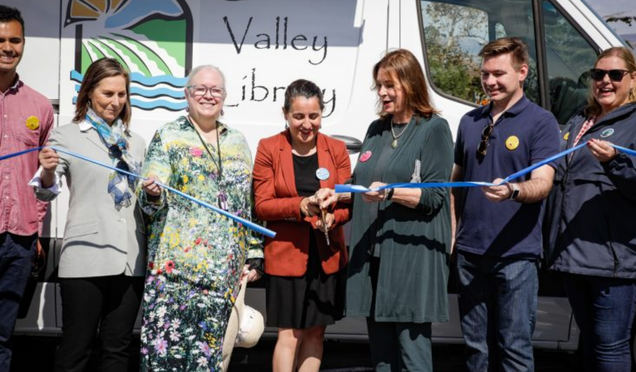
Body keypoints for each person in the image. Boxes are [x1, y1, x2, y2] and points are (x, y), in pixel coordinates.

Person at [321, 49, 454, 371]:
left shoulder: (434, 129)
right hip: (374, 255)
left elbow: (435, 196)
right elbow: (362, 181)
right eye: (379, 85)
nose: (382, 92)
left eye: (389, 85)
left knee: (412, 353)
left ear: (410, 84)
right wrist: (335, 194)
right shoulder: (376, 129)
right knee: (381, 354)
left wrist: (391, 193)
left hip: (411, 256)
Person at [138, 65, 263, 371]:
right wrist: (153, 192)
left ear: (224, 97)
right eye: (201, 89)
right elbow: (149, 200)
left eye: (215, 90)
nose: (208, 96)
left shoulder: (237, 140)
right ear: (187, 94)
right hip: (178, 274)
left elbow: (247, 203)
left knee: (215, 359)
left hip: (226, 274)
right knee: (170, 357)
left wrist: (254, 251)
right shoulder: (168, 136)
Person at [451, 37, 559, 371]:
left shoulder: (541, 122)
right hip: (470, 254)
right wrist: (454, 236)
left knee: (514, 349)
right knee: (474, 350)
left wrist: (512, 191)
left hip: (516, 256)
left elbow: (543, 183)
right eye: (485, 74)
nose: (490, 81)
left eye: (499, 73)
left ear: (523, 72)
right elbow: (456, 183)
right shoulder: (470, 121)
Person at [32, 57, 146, 372]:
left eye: (121, 94)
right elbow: (45, 190)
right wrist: (45, 171)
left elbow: (145, 203)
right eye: (107, 94)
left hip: (130, 260)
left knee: (117, 352)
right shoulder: (66, 136)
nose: (115, 102)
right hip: (85, 258)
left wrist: (153, 193)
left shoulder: (136, 143)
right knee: (75, 351)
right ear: (89, 93)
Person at [545, 46, 636, 372]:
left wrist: (616, 162)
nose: (605, 81)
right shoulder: (578, 120)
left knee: (610, 349)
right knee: (590, 344)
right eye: (598, 74)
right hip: (572, 255)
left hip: (612, 260)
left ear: (633, 79)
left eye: (615, 75)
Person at [252, 79, 351, 372]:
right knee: (289, 335)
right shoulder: (270, 148)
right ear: (285, 113)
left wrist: (334, 217)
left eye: (313, 116)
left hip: (327, 257)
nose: (307, 124)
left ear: (321, 114)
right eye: (299, 116)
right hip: (286, 257)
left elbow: (348, 201)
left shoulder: (336, 148)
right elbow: (261, 205)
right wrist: (300, 206)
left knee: (316, 332)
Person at [0, 5, 54, 370]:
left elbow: (45, 186)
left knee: (3, 335)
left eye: (14, 40)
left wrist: (35, 228)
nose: (8, 47)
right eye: (0, 40)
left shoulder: (39, 105)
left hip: (18, 238)